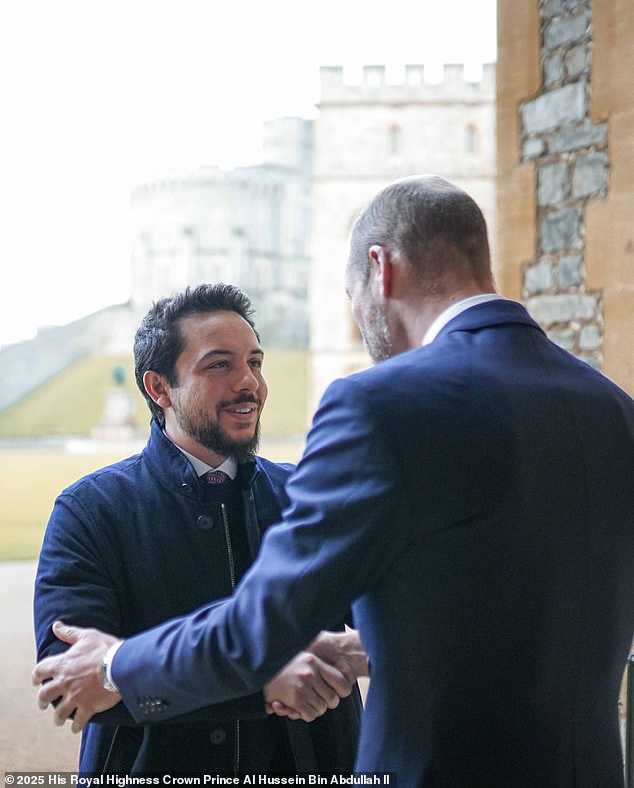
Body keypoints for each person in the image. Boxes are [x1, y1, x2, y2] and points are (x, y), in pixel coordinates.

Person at [34, 176, 634, 787]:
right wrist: (358, 651)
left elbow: (255, 630)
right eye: (221, 366)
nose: (251, 383)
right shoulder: (613, 409)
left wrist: (115, 666)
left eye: (352, 294)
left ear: (381, 268)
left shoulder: (378, 403)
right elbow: (497, 604)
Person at [33, 283, 363, 775]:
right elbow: (71, 683)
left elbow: (395, 619)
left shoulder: (307, 497)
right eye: (219, 365)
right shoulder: (90, 510)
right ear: (159, 388)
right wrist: (261, 687)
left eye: (254, 362)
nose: (248, 381)